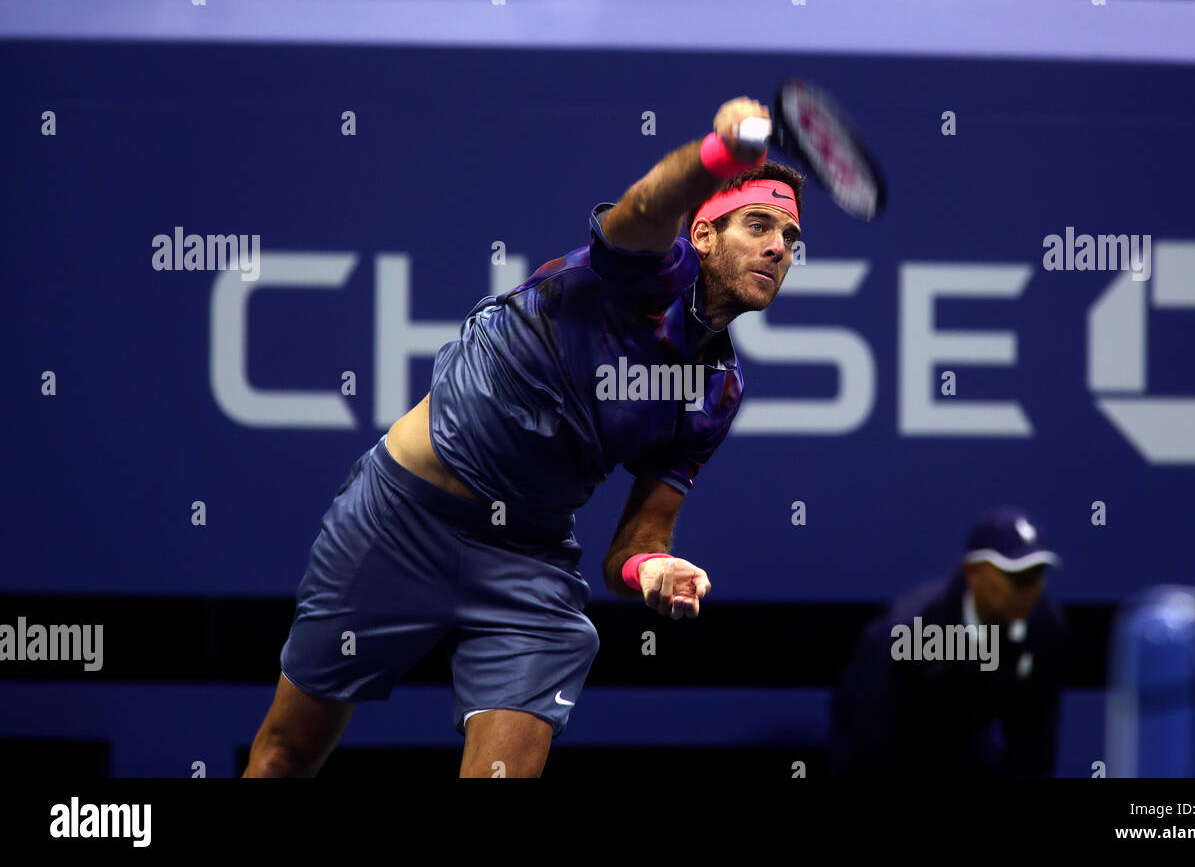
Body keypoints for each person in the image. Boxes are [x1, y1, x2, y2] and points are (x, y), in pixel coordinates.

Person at [244, 96, 808, 777]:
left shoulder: (716, 391)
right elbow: (645, 206)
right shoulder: (642, 272)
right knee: (284, 753)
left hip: (526, 556)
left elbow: (636, 542)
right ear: (706, 234)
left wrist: (650, 569)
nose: (779, 247)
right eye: (758, 224)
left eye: (789, 239)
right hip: (399, 517)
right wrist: (718, 155)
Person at [828, 507, 1068, 777]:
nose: (1027, 590)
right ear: (973, 572)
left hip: (969, 749)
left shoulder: (1045, 626)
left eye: (1036, 576)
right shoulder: (911, 630)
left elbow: (1034, 742)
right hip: (886, 747)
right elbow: (868, 732)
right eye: (1015, 577)